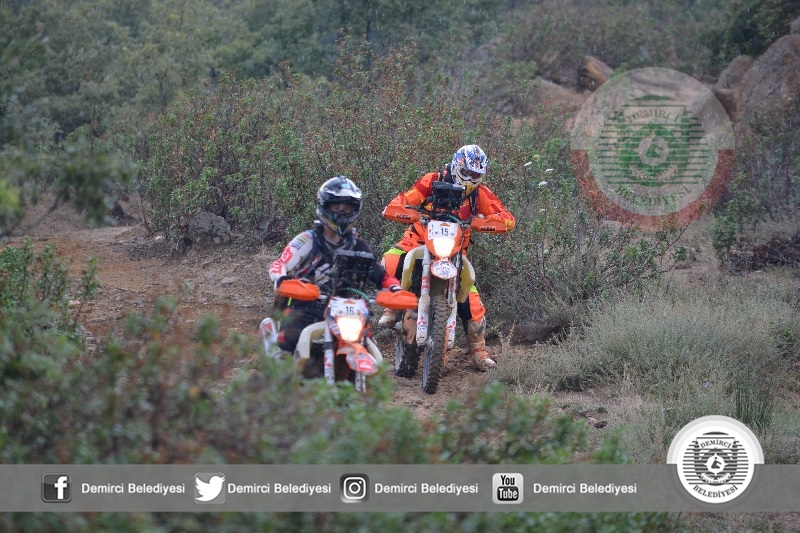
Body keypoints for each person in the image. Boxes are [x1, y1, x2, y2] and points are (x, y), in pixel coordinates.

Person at [378, 144, 515, 371]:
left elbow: (507, 218)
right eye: (467, 172)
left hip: (455, 252)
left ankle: (479, 352)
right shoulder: (433, 180)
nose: (470, 178)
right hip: (418, 241)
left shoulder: (480, 194)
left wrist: (483, 222)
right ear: (456, 166)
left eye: (476, 175)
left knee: (473, 303)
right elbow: (405, 199)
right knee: (390, 261)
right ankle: (391, 308)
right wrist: (404, 210)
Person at [266, 175, 401, 356]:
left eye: (347, 208)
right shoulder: (308, 239)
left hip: (345, 311)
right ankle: (277, 357)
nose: (341, 213)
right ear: (325, 206)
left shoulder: (358, 245)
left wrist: (395, 289)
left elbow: (380, 274)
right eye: (336, 207)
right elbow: (280, 263)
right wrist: (281, 279)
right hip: (305, 308)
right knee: (285, 348)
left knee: (371, 350)